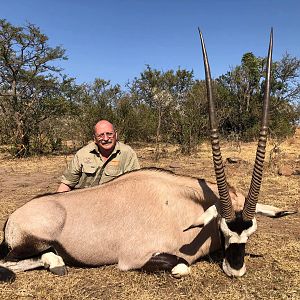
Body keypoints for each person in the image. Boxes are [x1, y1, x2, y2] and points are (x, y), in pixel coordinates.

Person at [57, 120, 140, 192]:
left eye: (109, 134)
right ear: (94, 138)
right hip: (84, 202)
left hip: (115, 202)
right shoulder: (82, 154)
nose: (106, 138)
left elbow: (135, 185)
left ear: (116, 135)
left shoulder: (128, 153)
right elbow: (67, 183)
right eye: (101, 135)